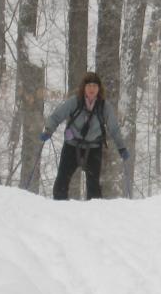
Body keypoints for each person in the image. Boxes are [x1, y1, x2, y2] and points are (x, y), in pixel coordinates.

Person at [41, 71, 129, 200]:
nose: (92, 89)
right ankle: (59, 213)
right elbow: (56, 116)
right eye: (89, 86)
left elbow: (114, 129)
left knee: (94, 189)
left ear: (99, 89)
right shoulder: (74, 102)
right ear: (84, 88)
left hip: (93, 149)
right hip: (72, 146)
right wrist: (48, 130)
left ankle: (93, 217)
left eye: (94, 86)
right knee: (61, 183)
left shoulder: (104, 107)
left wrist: (121, 147)